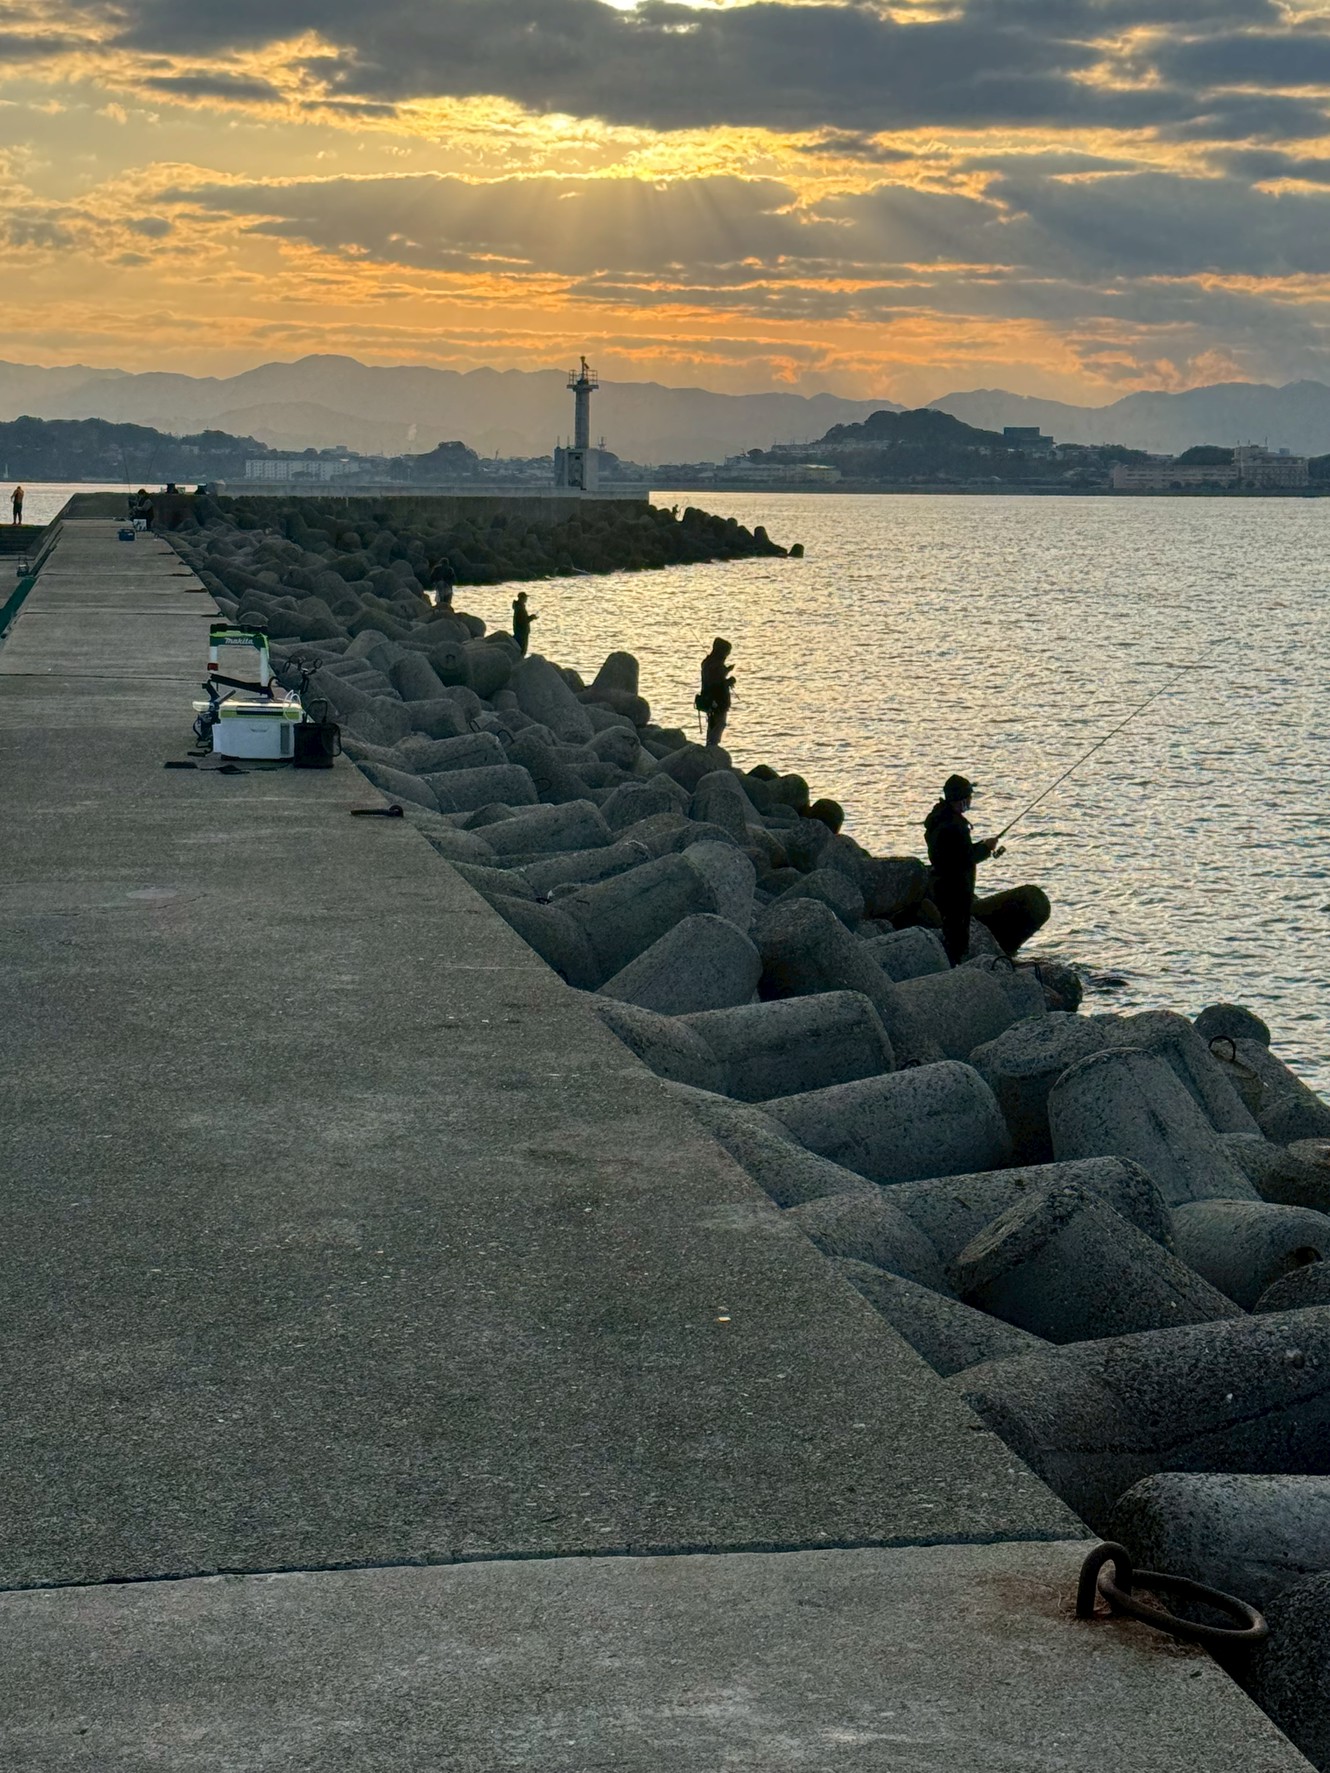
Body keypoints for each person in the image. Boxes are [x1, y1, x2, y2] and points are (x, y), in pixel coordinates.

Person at [923, 774, 1004, 967]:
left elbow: (957, 853)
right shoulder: (955, 826)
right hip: (956, 887)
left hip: (942, 881)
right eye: (968, 797)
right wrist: (985, 848)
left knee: (951, 928)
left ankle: (951, 962)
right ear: (961, 800)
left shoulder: (939, 817)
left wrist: (983, 845)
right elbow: (965, 858)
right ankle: (954, 966)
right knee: (957, 933)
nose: (970, 801)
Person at [697, 637, 735, 749]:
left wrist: (727, 670)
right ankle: (712, 749)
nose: (727, 655)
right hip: (718, 701)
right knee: (718, 725)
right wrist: (730, 681)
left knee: (713, 725)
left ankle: (711, 747)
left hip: (709, 700)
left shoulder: (708, 663)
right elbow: (718, 684)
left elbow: (715, 678)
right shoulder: (716, 665)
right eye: (726, 652)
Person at [512, 590, 535, 655]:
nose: (526, 599)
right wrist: (531, 617)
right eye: (525, 598)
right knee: (522, 650)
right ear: (522, 598)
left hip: (519, 631)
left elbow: (523, 620)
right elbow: (523, 621)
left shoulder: (518, 607)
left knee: (520, 649)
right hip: (522, 632)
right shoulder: (520, 608)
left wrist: (531, 617)